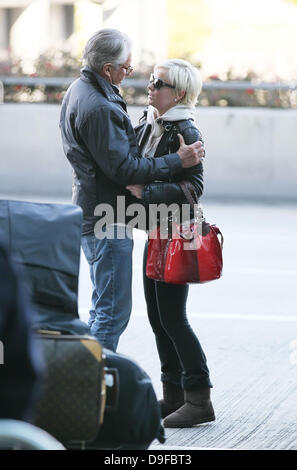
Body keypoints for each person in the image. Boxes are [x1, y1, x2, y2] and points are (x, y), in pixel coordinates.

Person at [59, 29, 204, 352]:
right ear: (107, 69)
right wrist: (176, 159)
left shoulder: (81, 90)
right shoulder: (100, 106)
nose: (135, 76)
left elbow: (193, 184)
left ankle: (91, 387)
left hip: (100, 214)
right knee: (111, 314)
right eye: (127, 67)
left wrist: (153, 187)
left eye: (157, 82)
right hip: (107, 220)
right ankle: (91, 391)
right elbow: (124, 169)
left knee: (107, 309)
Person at [126, 59, 215, 428]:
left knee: (174, 318)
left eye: (158, 82)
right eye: (150, 79)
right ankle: (175, 394)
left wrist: (146, 190)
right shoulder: (152, 122)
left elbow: (193, 188)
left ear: (178, 92)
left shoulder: (185, 128)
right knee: (158, 318)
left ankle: (199, 399)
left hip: (177, 233)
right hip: (157, 231)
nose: (150, 86)